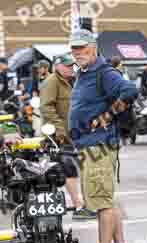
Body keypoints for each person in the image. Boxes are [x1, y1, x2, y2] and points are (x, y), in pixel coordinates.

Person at [68, 29, 137, 243]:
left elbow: (130, 91)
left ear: (93, 48)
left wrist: (108, 114)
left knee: (101, 203)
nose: (77, 53)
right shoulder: (84, 73)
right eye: (74, 48)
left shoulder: (104, 72)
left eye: (81, 47)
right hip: (90, 145)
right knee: (107, 200)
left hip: (99, 146)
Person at [40, 53, 96, 220]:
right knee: (70, 170)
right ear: (57, 66)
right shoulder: (51, 82)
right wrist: (60, 130)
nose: (71, 68)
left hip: (78, 133)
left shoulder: (74, 80)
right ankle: (79, 206)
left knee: (85, 168)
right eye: (67, 66)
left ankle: (87, 205)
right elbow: (46, 108)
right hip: (61, 136)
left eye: (72, 65)